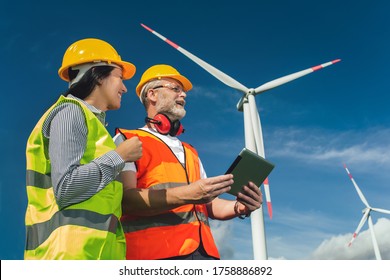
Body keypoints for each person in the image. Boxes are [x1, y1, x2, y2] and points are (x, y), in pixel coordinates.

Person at [115, 64, 263, 260]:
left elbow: (208, 206)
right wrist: (190, 194)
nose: (183, 95)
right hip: (155, 256)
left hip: (204, 255)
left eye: (183, 91)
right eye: (176, 89)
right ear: (152, 94)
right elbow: (125, 201)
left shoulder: (190, 151)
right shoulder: (127, 139)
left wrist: (239, 207)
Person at [24, 38, 142, 260]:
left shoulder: (94, 127)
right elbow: (67, 188)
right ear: (98, 75)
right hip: (68, 255)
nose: (125, 88)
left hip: (92, 254)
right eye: (119, 77)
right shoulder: (70, 112)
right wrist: (120, 156)